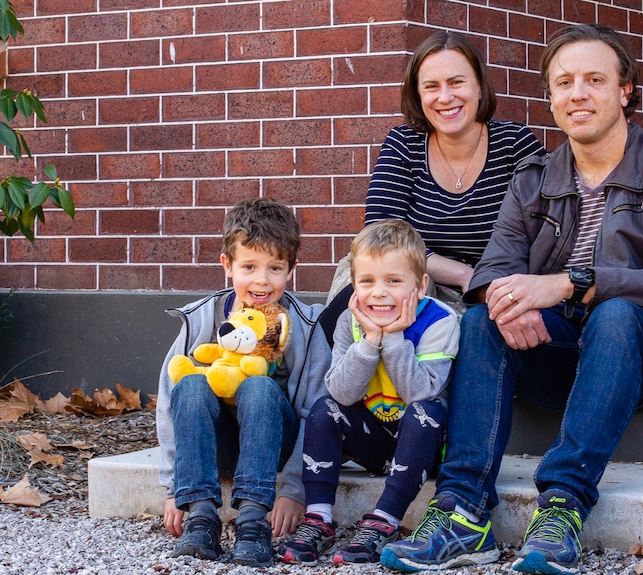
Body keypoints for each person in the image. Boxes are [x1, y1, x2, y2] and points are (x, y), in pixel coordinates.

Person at [381, 24, 643, 575]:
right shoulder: (535, 175)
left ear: (625, 89)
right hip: (565, 348)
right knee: (482, 322)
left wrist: (566, 283)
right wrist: (506, 302)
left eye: (594, 80)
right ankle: (463, 510)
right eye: (564, 83)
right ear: (551, 97)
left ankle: (561, 506)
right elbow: (491, 270)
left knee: (616, 313)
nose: (577, 94)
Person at [321, 30, 545, 338]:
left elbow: (543, 235)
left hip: (486, 290)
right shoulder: (404, 143)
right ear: (418, 95)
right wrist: (465, 274)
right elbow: (380, 234)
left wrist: (481, 281)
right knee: (357, 299)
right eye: (431, 87)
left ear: (479, 86)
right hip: (406, 275)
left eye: (456, 82)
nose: (444, 97)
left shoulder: (515, 145)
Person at [156, 197, 332, 567]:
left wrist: (294, 489)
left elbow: (316, 410)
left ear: (291, 269)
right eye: (249, 266)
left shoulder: (304, 325)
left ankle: (253, 521)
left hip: (272, 444)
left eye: (275, 268)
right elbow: (168, 399)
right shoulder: (201, 317)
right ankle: (202, 517)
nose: (262, 280)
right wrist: (174, 487)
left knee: (258, 386)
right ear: (227, 265)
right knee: (189, 384)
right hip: (214, 443)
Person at [277, 219, 459, 566]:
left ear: (420, 286)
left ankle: (384, 520)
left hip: (423, 445)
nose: (379, 293)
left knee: (426, 413)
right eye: (367, 282)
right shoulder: (351, 321)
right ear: (354, 287)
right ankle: (318, 519)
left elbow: (420, 391)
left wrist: (393, 338)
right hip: (373, 438)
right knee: (324, 408)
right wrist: (371, 340)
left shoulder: (440, 321)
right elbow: (342, 393)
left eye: (394, 281)